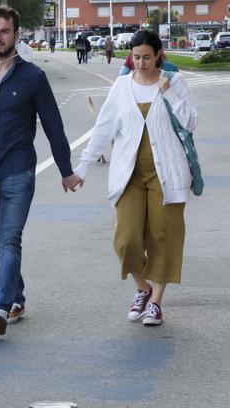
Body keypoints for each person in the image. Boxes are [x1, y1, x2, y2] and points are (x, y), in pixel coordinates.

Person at [0, 5, 82, 336]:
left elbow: (53, 126)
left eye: (4, 31)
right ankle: (17, 297)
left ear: (16, 34)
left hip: (18, 171)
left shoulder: (33, 78)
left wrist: (66, 170)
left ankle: (0, 305)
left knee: (10, 237)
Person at [76, 30, 197, 326]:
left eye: (146, 57)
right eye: (136, 57)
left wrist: (168, 92)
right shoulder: (121, 87)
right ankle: (142, 288)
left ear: (158, 55)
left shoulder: (175, 82)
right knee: (126, 239)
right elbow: (103, 128)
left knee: (162, 237)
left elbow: (191, 122)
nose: (140, 63)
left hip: (166, 174)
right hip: (128, 174)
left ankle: (155, 301)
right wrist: (82, 166)